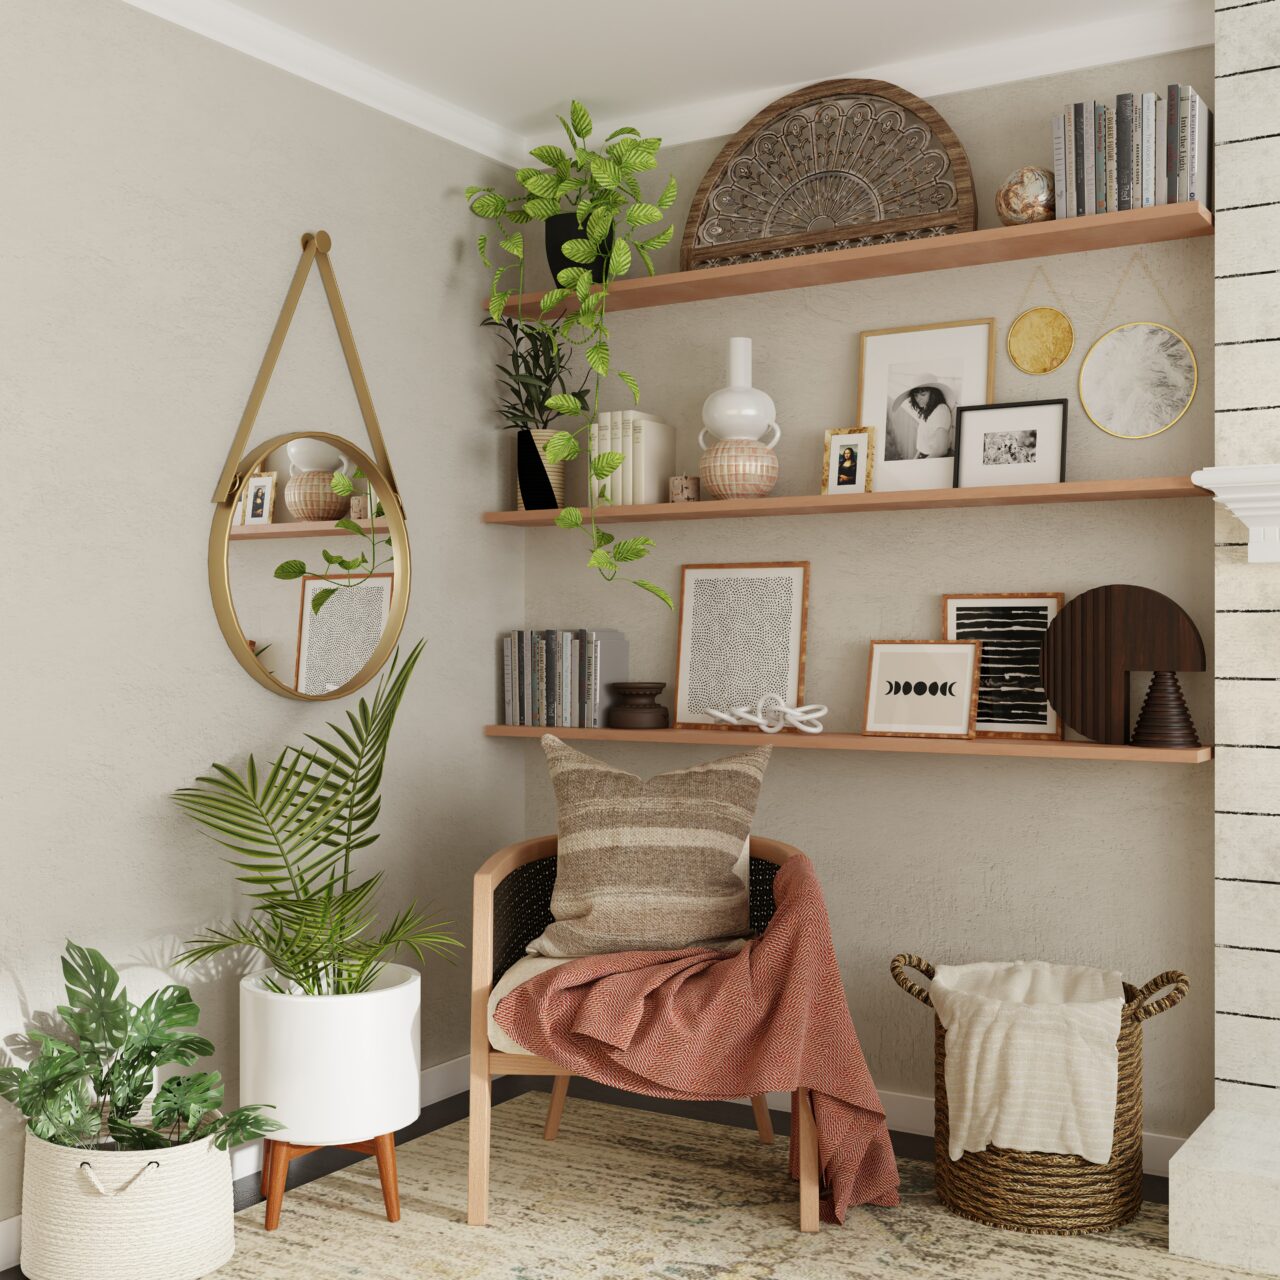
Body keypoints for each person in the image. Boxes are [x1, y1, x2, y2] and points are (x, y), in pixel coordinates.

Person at [889, 385, 954, 459]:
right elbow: (923, 446)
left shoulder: (940, 411)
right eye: (916, 395)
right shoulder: (928, 409)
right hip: (923, 457)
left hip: (932, 460)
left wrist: (921, 465)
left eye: (923, 394)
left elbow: (941, 450)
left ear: (934, 394)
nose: (918, 399)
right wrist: (915, 461)